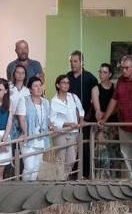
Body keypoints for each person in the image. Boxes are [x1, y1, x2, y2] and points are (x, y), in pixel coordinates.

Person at [100, 55, 132, 178]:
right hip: (123, 123)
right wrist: (104, 118)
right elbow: (114, 100)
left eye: (126, 68)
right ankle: (130, 180)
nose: (123, 70)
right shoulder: (121, 80)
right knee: (126, 154)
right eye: (122, 68)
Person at [66, 50, 98, 178]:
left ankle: (86, 175)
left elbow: (94, 100)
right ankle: (72, 175)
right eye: (71, 61)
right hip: (70, 121)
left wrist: (91, 116)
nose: (72, 64)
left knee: (84, 148)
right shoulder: (66, 77)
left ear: (81, 62)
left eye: (75, 61)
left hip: (85, 120)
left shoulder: (90, 78)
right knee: (71, 149)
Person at [15, 76, 51, 181]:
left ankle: (32, 188)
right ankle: (24, 189)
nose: (39, 88)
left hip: (41, 138)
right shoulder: (24, 100)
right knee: (29, 167)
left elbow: (46, 118)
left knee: (36, 168)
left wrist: (51, 126)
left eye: (40, 85)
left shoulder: (46, 102)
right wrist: (25, 132)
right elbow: (21, 118)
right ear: (30, 89)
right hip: (28, 138)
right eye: (35, 86)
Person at [50, 74, 85, 179]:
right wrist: (67, 123)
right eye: (63, 83)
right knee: (60, 158)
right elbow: (52, 119)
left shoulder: (73, 97)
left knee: (72, 158)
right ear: (58, 85)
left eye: (67, 83)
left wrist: (81, 121)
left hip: (73, 132)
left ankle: (63, 177)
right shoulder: (53, 101)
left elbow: (81, 110)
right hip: (60, 132)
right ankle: (61, 180)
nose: (66, 85)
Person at [91, 63, 120, 178]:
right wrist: (101, 128)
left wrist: (107, 113)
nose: (101, 74)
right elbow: (97, 111)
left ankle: (114, 182)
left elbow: (118, 107)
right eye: (100, 71)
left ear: (110, 74)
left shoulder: (115, 87)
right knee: (102, 157)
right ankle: (101, 182)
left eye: (105, 72)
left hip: (114, 126)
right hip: (101, 125)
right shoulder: (95, 89)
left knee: (114, 157)